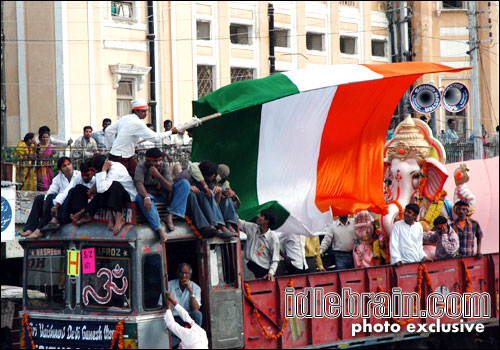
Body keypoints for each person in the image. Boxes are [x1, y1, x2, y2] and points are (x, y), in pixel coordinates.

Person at [104, 98, 179, 177]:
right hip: (121, 159)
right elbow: (155, 138)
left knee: (137, 177)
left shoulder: (125, 118)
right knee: (123, 181)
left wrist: (111, 146)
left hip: (125, 156)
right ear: (136, 111)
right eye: (143, 111)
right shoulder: (138, 123)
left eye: (146, 111)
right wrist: (171, 132)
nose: (146, 114)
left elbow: (108, 130)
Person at [70, 155, 137, 234]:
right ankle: (88, 214)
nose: (94, 173)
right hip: (113, 194)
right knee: (103, 189)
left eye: (95, 171)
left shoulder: (114, 169)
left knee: (114, 185)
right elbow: (102, 189)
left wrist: (103, 170)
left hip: (127, 195)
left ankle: (119, 219)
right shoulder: (107, 170)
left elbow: (102, 188)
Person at [134, 148, 191, 242]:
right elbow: (139, 184)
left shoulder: (164, 166)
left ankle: (170, 215)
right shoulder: (141, 167)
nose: (158, 163)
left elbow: (170, 188)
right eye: (155, 161)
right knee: (139, 197)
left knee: (184, 184)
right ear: (148, 161)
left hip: (165, 196)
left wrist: (158, 175)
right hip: (150, 198)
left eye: (160, 160)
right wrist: (146, 197)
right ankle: (159, 229)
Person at [21, 157, 77, 238]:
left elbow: (66, 192)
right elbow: (51, 191)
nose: (67, 167)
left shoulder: (78, 176)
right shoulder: (58, 178)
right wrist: (45, 201)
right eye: (64, 166)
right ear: (61, 169)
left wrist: (55, 204)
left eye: (69, 164)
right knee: (39, 198)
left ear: (72, 165)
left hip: (67, 204)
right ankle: (30, 228)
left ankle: (40, 229)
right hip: (58, 203)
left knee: (52, 197)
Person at [174, 160, 233, 238]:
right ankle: (204, 227)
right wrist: (188, 187)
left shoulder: (209, 180)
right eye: (213, 176)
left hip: (197, 202)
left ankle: (213, 225)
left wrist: (219, 192)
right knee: (192, 195)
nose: (214, 178)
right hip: (181, 200)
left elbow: (216, 201)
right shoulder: (186, 175)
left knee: (204, 194)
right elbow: (173, 187)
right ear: (205, 175)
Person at [42, 161, 96, 230]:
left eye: (87, 175)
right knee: (70, 191)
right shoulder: (77, 178)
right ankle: (57, 220)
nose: (85, 178)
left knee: (79, 188)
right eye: (83, 175)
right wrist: (57, 204)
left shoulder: (96, 180)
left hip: (88, 208)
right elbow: (66, 192)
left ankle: (75, 217)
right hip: (75, 208)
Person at [189, 163, 239, 232]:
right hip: (208, 204)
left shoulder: (224, 183)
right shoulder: (203, 175)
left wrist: (233, 195)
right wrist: (205, 186)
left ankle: (229, 224)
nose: (216, 177)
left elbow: (235, 205)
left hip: (218, 206)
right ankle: (220, 225)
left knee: (226, 193)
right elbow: (193, 166)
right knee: (211, 193)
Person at [167, 263, 203, 348]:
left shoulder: (196, 288)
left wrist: (190, 291)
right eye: (181, 273)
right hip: (174, 318)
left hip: (188, 319)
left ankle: (192, 339)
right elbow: (162, 305)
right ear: (178, 274)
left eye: (186, 273)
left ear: (190, 275)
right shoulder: (169, 285)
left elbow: (196, 309)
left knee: (198, 314)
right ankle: (180, 341)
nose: (184, 275)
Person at [239, 209, 280, 281]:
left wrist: (270, 273)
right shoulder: (252, 228)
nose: (258, 216)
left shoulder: (273, 238)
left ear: (267, 221)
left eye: (261, 216)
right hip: (249, 266)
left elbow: (275, 259)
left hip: (263, 271)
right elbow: (238, 222)